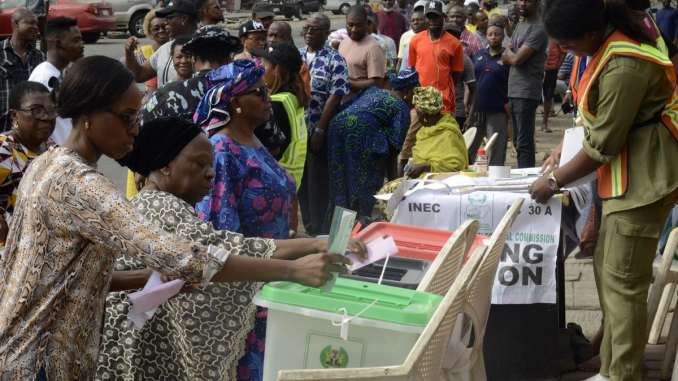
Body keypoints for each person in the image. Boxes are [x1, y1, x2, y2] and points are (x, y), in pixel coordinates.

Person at [0, 55, 351, 380]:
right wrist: (294, 269)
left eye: (137, 117)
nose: (136, 129)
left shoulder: (47, 163)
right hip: (43, 357)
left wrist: (149, 276)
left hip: (28, 347)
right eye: (127, 117)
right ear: (90, 113)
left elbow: (68, 275)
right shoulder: (82, 185)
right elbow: (186, 258)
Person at [98, 116, 367, 380]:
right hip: (127, 348)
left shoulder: (161, 202)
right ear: (166, 166)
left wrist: (310, 244)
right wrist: (303, 258)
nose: (211, 173)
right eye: (200, 163)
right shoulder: (160, 206)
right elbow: (221, 253)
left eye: (211, 164)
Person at [531, 1, 678, 380]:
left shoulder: (623, 64)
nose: (563, 52)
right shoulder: (606, 47)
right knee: (608, 272)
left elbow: (603, 145)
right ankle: (612, 366)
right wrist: (567, 145)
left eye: (566, 44)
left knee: (624, 285)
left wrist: (553, 182)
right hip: (627, 178)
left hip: (645, 180)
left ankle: (621, 374)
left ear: (590, 34)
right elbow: (596, 120)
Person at [193, 60, 297, 380]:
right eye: (260, 92)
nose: (268, 97)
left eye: (267, 89)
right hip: (246, 291)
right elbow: (223, 236)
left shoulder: (252, 141)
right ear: (235, 102)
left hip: (272, 274)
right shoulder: (223, 150)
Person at [324, 83, 410, 230]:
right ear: (408, 91)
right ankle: (357, 231)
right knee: (363, 186)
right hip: (360, 135)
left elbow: (345, 107)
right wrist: (392, 187)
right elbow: (394, 150)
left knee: (340, 185)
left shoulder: (372, 89)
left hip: (336, 127)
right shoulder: (401, 108)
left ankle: (335, 233)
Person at [299, 13, 349, 236]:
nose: (309, 32)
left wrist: (320, 129)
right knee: (301, 180)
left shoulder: (334, 59)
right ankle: (308, 225)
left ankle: (318, 229)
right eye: (307, 28)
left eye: (315, 29)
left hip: (319, 129)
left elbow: (336, 95)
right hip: (297, 129)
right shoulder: (298, 56)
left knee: (317, 182)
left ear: (326, 34)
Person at [0, 82, 55, 246]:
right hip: (12, 256)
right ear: (15, 115)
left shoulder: (50, 146)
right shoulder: (5, 150)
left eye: (51, 110)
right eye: (36, 110)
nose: (46, 117)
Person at [252, 41, 310, 189]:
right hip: (289, 179)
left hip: (274, 180)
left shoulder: (276, 103)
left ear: (276, 69)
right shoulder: (292, 96)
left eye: (263, 67)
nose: (259, 71)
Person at [501, 0, 547, 168]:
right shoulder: (520, 25)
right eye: (520, 0)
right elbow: (506, 59)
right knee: (518, 142)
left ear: (537, 3)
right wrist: (510, 53)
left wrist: (508, 50)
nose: (522, 3)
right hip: (514, 89)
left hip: (526, 91)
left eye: (527, 1)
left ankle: (527, 181)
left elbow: (516, 59)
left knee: (524, 143)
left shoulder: (538, 29)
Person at [28, 17, 83, 145]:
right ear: (58, 43)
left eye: (81, 40)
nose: (81, 45)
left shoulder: (58, 73)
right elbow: (42, 127)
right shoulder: (45, 77)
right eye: (76, 41)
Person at [124, 0, 198, 89]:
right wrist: (129, 52)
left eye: (169, 18)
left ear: (184, 19)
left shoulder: (204, 47)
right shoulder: (165, 48)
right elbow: (138, 75)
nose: (165, 22)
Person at [409, 1, 464, 115]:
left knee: (445, 132)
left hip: (443, 104)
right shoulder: (415, 40)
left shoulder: (455, 43)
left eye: (436, 16)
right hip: (420, 103)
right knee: (412, 133)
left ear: (444, 17)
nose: (432, 20)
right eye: (429, 17)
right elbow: (412, 70)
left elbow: (455, 75)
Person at [471, 21, 510, 165]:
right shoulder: (479, 55)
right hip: (477, 108)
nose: (493, 37)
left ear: (503, 36)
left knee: (495, 148)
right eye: (490, 34)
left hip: (498, 109)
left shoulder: (507, 57)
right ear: (486, 36)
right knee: (470, 145)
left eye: (497, 34)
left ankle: (494, 175)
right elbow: (471, 80)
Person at [407, 86, 468, 178]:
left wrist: (424, 167)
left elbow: (456, 165)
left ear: (424, 116)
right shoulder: (424, 131)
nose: (417, 117)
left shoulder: (448, 133)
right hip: (421, 179)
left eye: (418, 113)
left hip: (440, 182)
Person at [0, 10, 45, 132]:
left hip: (29, 131)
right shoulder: (1, 52)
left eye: (37, 25)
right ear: (16, 23)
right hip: (3, 128)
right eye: (31, 23)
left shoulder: (40, 57)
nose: (36, 28)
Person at [339, 5, 386, 101]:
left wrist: (345, 83)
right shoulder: (343, 43)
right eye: (350, 25)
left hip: (361, 106)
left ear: (366, 23)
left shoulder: (373, 48)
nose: (354, 29)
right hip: (341, 105)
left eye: (359, 25)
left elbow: (377, 84)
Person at [445, 23, 477, 132]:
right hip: (436, 111)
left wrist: (470, 117)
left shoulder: (465, 60)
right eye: (446, 35)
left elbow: (474, 90)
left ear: (458, 39)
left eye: (453, 36)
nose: (449, 39)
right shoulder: (433, 55)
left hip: (457, 112)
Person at [266, 21, 312, 97]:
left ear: (289, 38)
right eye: (270, 35)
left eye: (278, 36)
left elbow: (304, 96)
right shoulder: (261, 58)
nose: (272, 39)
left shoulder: (298, 65)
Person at [541, 39, 566, 133]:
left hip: (551, 69)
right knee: (533, 97)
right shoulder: (537, 31)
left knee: (548, 96)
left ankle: (544, 123)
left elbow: (563, 52)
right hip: (536, 69)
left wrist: (556, 68)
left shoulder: (555, 35)